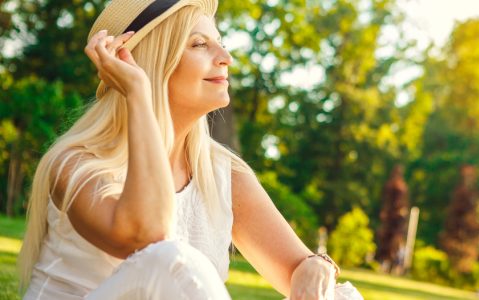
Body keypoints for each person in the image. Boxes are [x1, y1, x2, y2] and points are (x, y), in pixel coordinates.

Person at [16, 0, 362, 299]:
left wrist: (318, 267)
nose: (225, 57)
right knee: (170, 261)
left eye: (220, 43)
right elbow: (147, 238)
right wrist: (137, 93)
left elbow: (299, 270)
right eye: (199, 44)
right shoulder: (78, 162)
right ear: (148, 61)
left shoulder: (223, 174)